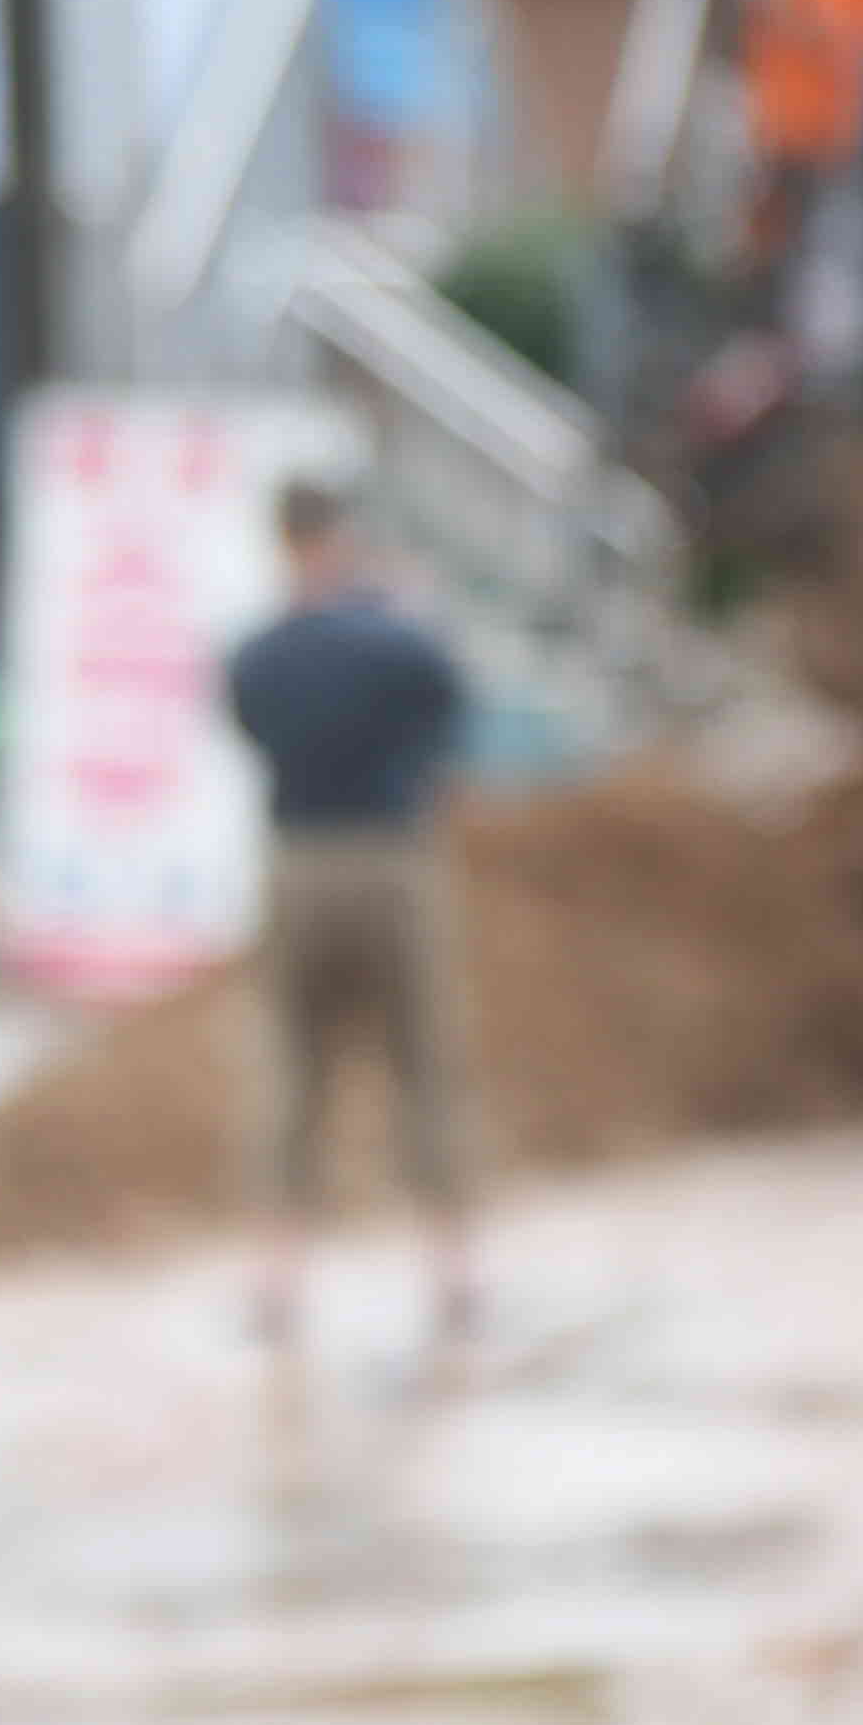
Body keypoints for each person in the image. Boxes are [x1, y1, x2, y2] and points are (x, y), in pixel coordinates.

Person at [224, 480, 480, 1342]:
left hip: (297, 860)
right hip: (389, 859)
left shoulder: (260, 655)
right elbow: (447, 700)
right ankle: (453, 1273)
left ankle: (277, 1277)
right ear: (341, 536)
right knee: (426, 1065)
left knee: (293, 1070)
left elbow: (244, 715)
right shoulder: (395, 645)